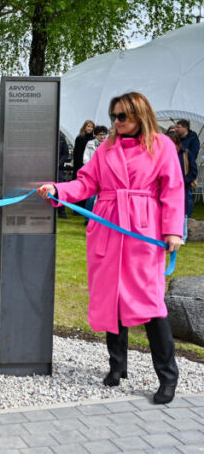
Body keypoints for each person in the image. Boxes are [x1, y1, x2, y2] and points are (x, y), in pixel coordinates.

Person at [37, 91, 184, 404]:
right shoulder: (106, 148)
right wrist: (57, 190)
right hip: (107, 229)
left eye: (122, 117)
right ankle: (117, 367)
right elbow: (86, 183)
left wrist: (173, 230)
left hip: (142, 232)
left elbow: (173, 189)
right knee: (111, 298)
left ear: (139, 115)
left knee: (151, 304)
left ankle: (168, 376)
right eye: (113, 116)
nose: (116, 122)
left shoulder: (162, 146)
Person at [167, 131, 197, 243]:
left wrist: (183, 181)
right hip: (167, 187)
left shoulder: (186, 154)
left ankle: (182, 236)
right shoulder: (164, 154)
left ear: (178, 144)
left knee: (182, 211)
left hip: (182, 187)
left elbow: (194, 171)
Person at [82, 125, 109, 220]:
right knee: (91, 197)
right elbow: (85, 159)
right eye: (100, 135)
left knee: (104, 198)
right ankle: (87, 218)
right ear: (96, 135)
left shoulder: (109, 144)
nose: (102, 137)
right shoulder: (90, 144)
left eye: (104, 134)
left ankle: (102, 218)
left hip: (105, 174)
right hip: (93, 174)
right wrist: (93, 168)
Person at [57, 132, 70, 218]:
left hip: (59, 169)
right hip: (44, 167)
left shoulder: (61, 138)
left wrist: (59, 162)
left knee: (60, 189)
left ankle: (61, 211)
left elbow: (66, 153)